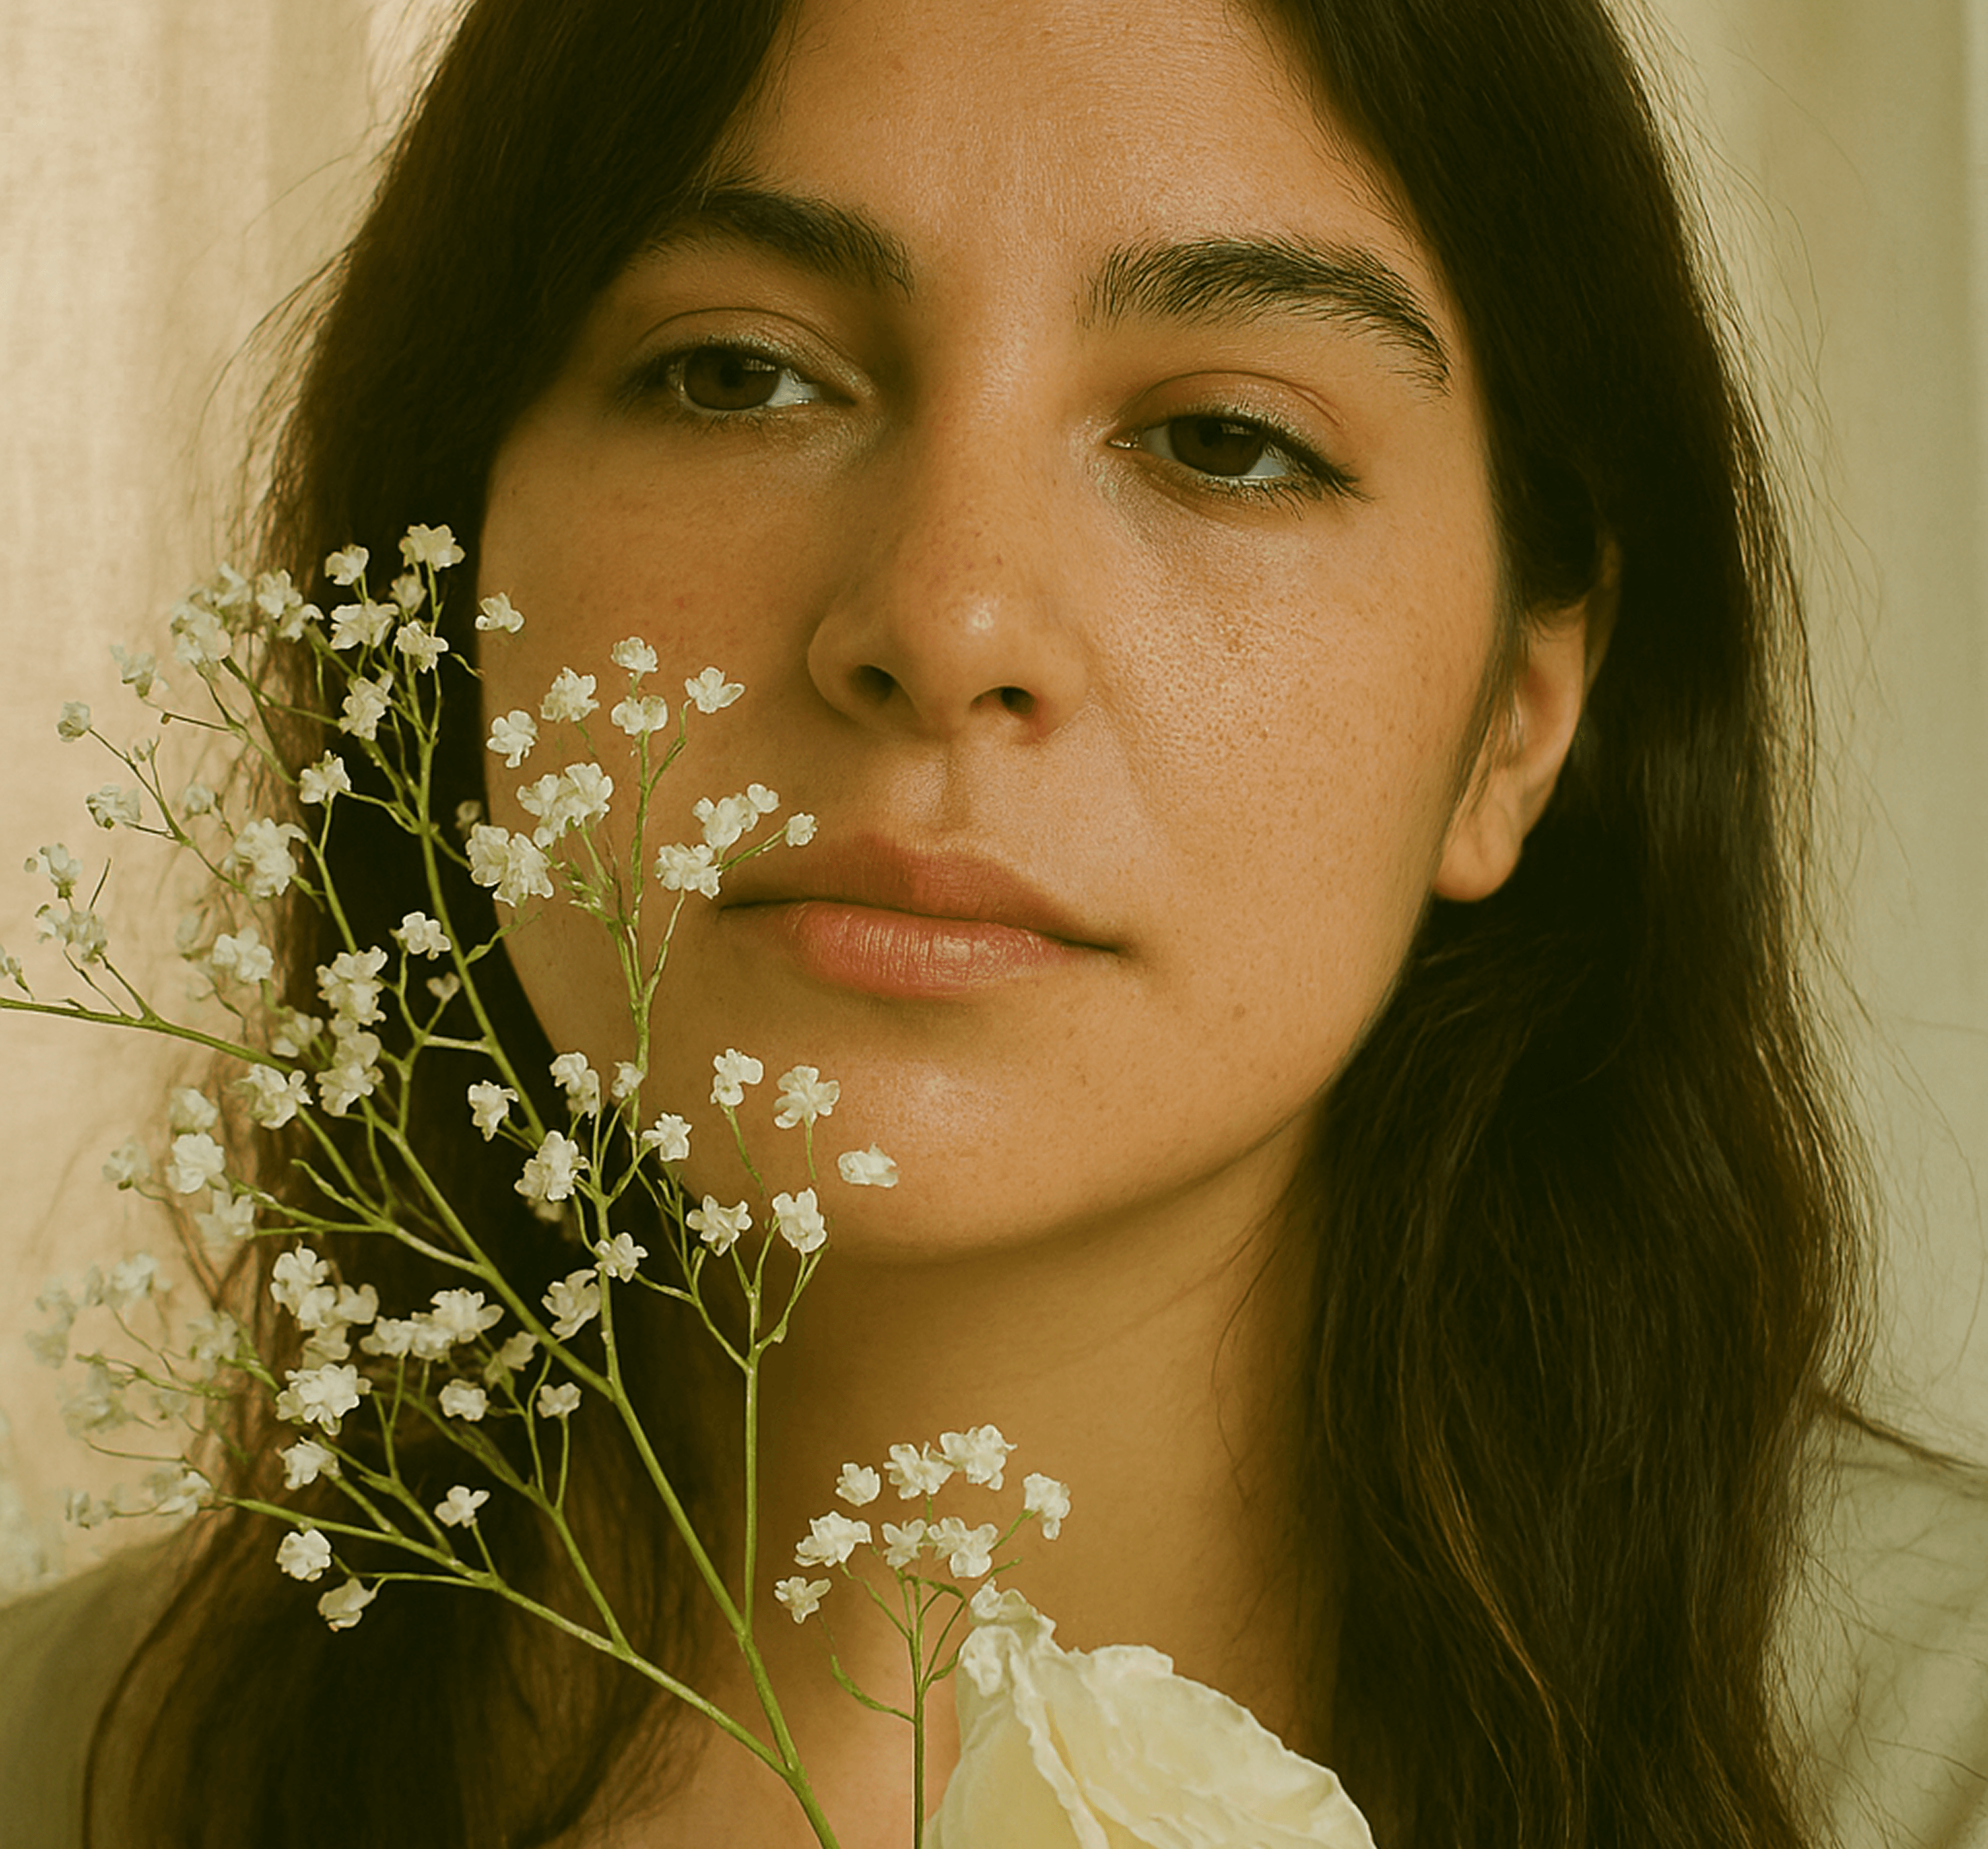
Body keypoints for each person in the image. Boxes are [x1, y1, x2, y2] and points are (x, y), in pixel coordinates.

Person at [5, 0, 1987, 1843]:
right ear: (431, 581)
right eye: (736, 376)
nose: (945, 628)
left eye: (1225, 439)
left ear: (1520, 720)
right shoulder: (60, 1755)